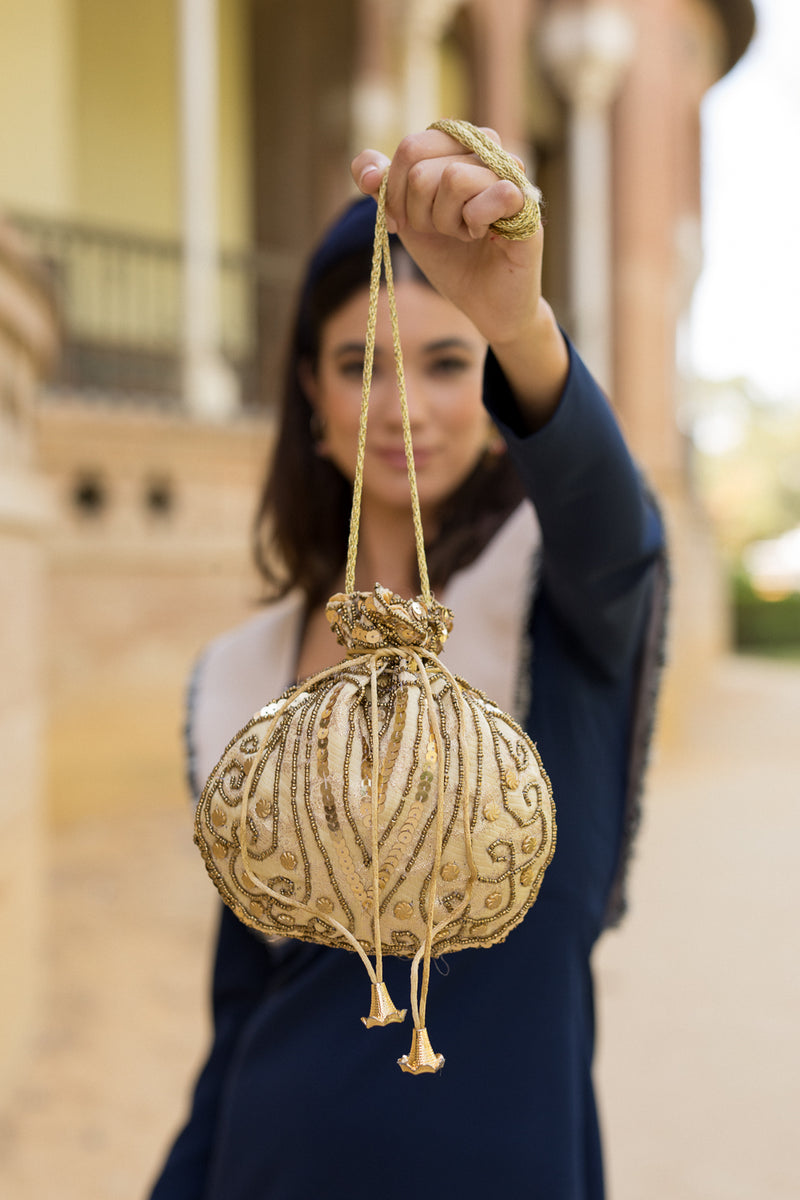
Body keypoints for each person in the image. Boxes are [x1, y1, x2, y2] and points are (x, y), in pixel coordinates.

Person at [148, 125, 667, 1200]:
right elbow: (242, 1003)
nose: (402, 407)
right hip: (268, 1162)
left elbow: (615, 530)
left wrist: (517, 323)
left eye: (446, 362)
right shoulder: (241, 672)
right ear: (309, 392)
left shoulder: (560, 601)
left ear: (488, 391)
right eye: (358, 365)